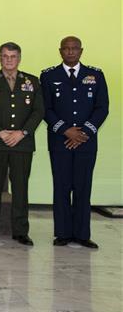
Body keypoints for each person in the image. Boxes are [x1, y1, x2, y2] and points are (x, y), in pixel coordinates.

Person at [40, 36, 108, 249]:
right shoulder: (49, 75)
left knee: (83, 187)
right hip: (60, 141)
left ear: (81, 51)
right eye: (66, 49)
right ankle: (62, 233)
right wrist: (66, 130)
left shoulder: (95, 75)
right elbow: (45, 108)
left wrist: (84, 132)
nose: (70, 52)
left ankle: (82, 234)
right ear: (60, 51)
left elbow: (102, 107)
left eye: (74, 49)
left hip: (86, 142)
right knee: (61, 187)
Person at [0, 43, 44, 246]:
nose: (9, 60)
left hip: (22, 144)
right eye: (5, 56)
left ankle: (21, 231)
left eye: (13, 56)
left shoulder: (32, 81)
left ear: (19, 58)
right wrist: (0, 132)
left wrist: (21, 133)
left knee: (21, 188)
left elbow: (39, 111)